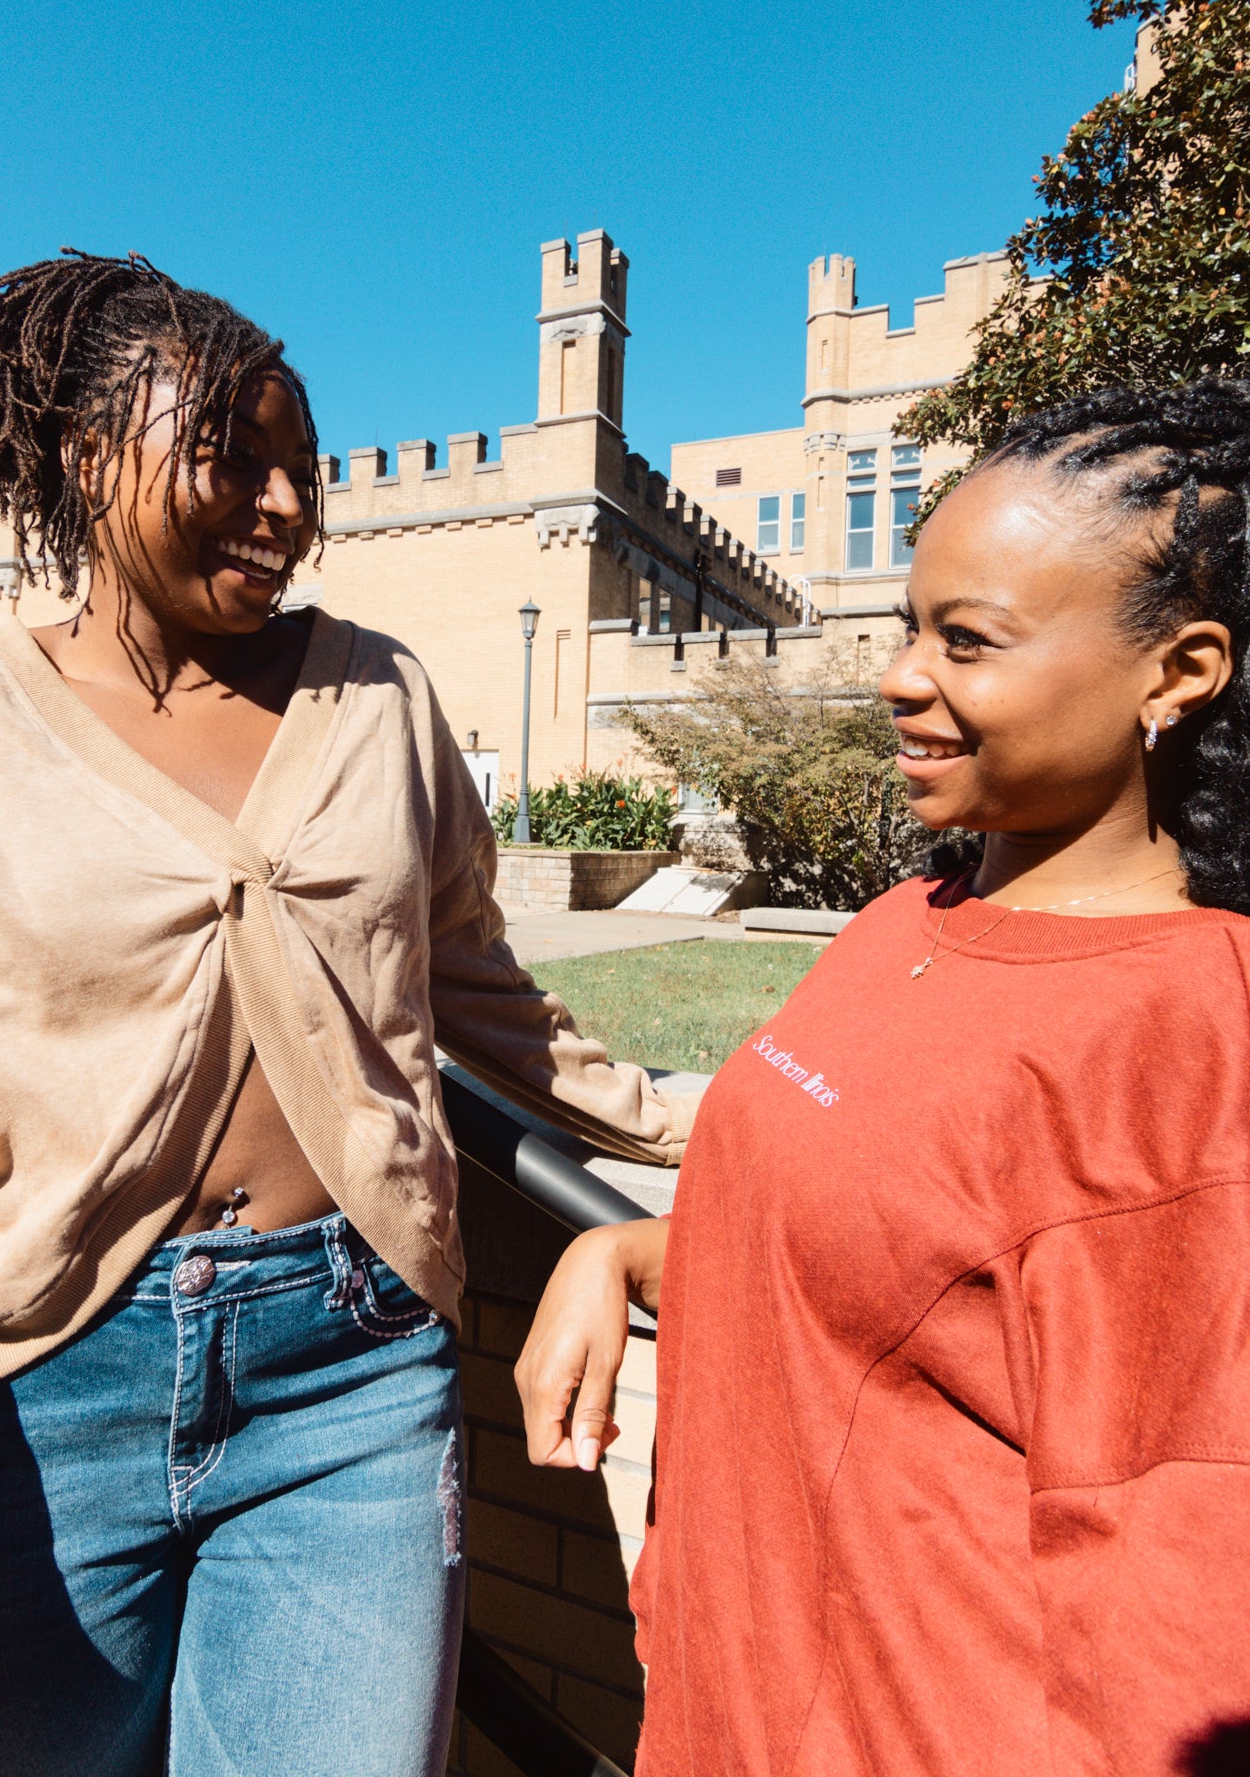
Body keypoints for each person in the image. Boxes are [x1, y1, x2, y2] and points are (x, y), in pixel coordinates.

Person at [0, 251, 695, 1777]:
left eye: (302, 471)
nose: (282, 507)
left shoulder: (375, 695)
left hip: (355, 1362)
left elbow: (485, 996)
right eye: (230, 459)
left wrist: (705, 1134)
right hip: (46, 1380)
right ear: (83, 455)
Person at [516, 380, 1250, 1777]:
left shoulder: (1190, 1042)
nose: (900, 677)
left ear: (1178, 672)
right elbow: (898, 1256)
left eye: (965, 642)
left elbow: (1186, 1594)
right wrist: (622, 1253)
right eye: (909, 627)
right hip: (730, 1705)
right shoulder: (906, 919)